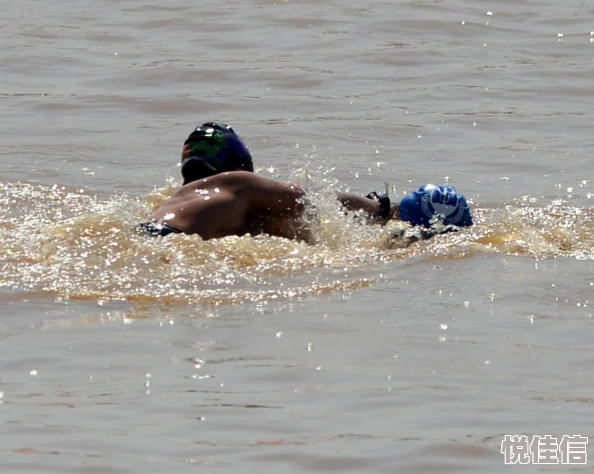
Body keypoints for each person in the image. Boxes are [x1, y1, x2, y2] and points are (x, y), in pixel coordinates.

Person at [140, 122, 473, 242]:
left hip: (144, 237)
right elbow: (315, 202)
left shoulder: (184, 201)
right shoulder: (238, 182)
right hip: (165, 244)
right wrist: (385, 210)